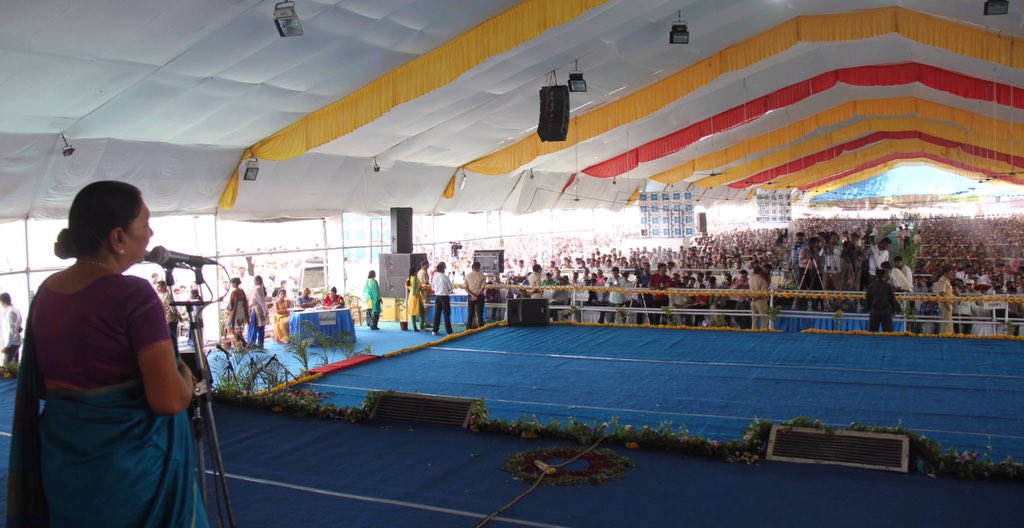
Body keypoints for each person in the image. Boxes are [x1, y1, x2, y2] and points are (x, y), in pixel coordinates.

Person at [7, 180, 206, 527]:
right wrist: (188, 379)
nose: (151, 233)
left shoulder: (47, 293)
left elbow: (42, 383)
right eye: (145, 223)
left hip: (66, 467)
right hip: (131, 477)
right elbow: (169, 400)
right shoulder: (133, 295)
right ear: (117, 238)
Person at [865, 268, 900, 332]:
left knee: (872, 332)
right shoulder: (888, 286)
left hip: (874, 311)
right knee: (888, 333)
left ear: (876, 275)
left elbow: (868, 299)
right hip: (886, 311)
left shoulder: (871, 286)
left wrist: (868, 309)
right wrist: (893, 310)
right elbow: (893, 299)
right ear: (884, 276)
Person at [156, 280, 183, 354]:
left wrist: (177, 315)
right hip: (168, 318)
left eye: (159, 287)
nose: (157, 288)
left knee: (172, 336)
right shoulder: (164, 295)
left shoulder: (167, 295)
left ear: (164, 287)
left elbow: (172, 308)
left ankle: (174, 352)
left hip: (171, 318)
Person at [430, 262, 455, 335]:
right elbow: (451, 288)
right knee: (446, 314)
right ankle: (449, 332)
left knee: (437, 314)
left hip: (437, 297)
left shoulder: (434, 277)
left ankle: (435, 330)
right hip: (444, 297)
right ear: (443, 269)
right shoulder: (445, 277)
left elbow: (433, 288)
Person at [225, 277, 249, 345]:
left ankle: (240, 345)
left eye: (232, 283)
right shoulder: (242, 291)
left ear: (235, 284)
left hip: (236, 314)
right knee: (239, 331)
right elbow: (245, 302)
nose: (231, 285)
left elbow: (230, 304)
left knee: (236, 332)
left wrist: (228, 312)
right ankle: (243, 345)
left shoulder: (234, 292)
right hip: (242, 313)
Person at [1, 293, 23, 364]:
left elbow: (12, 330)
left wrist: (7, 346)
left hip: (12, 344)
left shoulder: (10, 312)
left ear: (2, 301)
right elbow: (19, 324)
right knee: (14, 364)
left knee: (6, 366)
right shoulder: (15, 309)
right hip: (15, 342)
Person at [464, 261, 486, 329]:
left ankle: (468, 329)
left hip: (470, 296)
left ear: (472, 268)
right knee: (480, 314)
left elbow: (465, 287)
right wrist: (476, 295)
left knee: (470, 314)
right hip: (479, 296)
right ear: (479, 268)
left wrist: (472, 295)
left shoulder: (467, 276)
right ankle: (481, 329)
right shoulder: (483, 276)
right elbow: (482, 288)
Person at [247, 275, 268, 348]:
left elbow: (253, 299)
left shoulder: (256, 288)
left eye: (254, 281)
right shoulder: (261, 288)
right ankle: (260, 344)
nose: (254, 282)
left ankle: (251, 343)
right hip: (262, 308)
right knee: (261, 328)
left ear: (258, 281)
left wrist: (249, 306)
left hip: (256, 309)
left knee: (253, 327)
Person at [934, 265, 955, 334]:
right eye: (950, 272)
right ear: (945, 273)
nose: (952, 274)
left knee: (949, 322)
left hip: (948, 303)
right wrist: (947, 305)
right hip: (945, 304)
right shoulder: (943, 280)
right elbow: (942, 293)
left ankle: (948, 335)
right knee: (946, 322)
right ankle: (944, 336)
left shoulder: (946, 280)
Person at [405, 266, 424, 332]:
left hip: (410, 297)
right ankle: (422, 327)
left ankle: (414, 328)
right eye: (416, 271)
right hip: (416, 297)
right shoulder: (415, 279)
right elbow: (420, 287)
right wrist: (428, 286)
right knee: (422, 312)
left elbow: (407, 287)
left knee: (413, 313)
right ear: (414, 272)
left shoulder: (408, 279)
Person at [416, 260, 432, 329]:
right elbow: (426, 282)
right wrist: (429, 289)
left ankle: (425, 321)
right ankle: (424, 322)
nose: (428, 266)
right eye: (428, 264)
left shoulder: (419, 272)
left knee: (425, 306)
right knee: (426, 306)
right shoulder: (423, 272)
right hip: (425, 291)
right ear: (425, 265)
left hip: (422, 291)